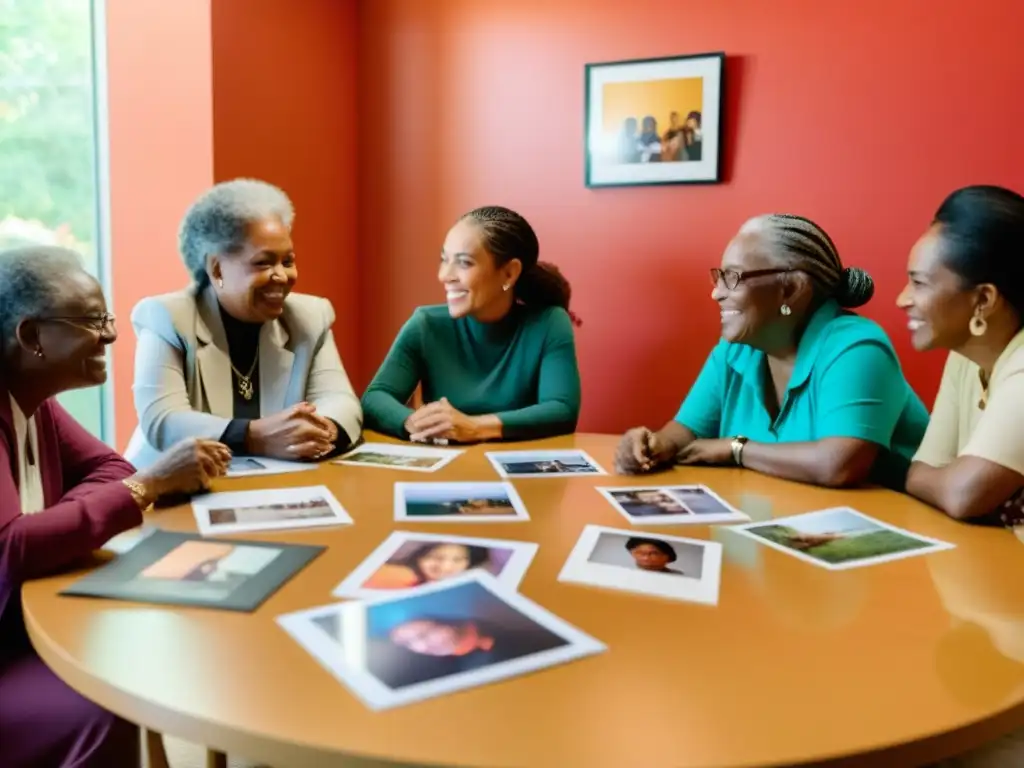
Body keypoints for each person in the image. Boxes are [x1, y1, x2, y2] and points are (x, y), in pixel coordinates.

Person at [0, 245, 231, 768]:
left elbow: (114, 471)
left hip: (24, 620)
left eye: (105, 317)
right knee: (105, 702)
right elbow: (11, 548)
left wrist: (50, 526)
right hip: (9, 646)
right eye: (90, 321)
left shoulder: (39, 405)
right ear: (32, 336)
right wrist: (144, 489)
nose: (110, 334)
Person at [615, 213, 929, 489]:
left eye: (733, 277)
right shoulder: (735, 349)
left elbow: (838, 465)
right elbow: (686, 433)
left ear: (791, 289)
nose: (716, 293)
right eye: (719, 276)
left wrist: (736, 449)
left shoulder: (857, 347)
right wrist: (654, 444)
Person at [125, 178, 362, 469]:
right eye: (263, 263)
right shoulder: (168, 317)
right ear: (216, 268)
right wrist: (255, 436)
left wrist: (321, 431)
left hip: (273, 486)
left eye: (287, 261)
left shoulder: (310, 317)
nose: (282, 276)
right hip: (171, 488)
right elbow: (164, 421)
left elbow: (340, 400)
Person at [361, 205, 582, 443]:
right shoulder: (425, 325)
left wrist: (475, 427)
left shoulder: (549, 323)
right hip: (446, 472)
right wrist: (411, 422)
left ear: (509, 273)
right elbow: (375, 398)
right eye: (444, 260)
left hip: (520, 473)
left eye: (464, 263)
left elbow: (561, 409)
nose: (445, 275)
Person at [898, 185, 1024, 527]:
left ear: (983, 299)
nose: (902, 299)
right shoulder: (965, 356)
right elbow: (919, 473)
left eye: (919, 283)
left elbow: (964, 495)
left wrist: (965, 485)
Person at [364, 542, 492, 590]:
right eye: (436, 557)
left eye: (458, 560)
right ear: (419, 557)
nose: (445, 566)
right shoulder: (399, 575)